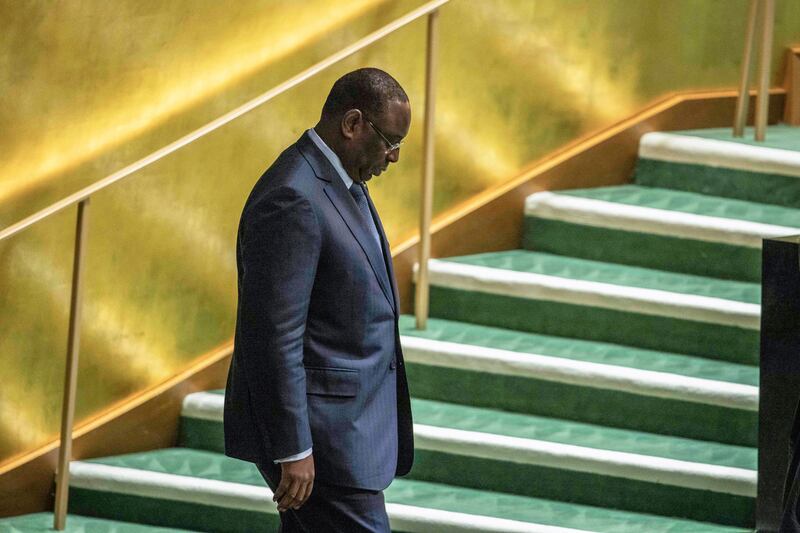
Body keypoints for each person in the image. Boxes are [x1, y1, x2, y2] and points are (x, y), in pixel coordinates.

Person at [223, 67, 414, 532]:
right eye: (390, 141)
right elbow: (273, 335)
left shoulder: (344, 183)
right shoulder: (293, 196)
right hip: (322, 443)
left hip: (347, 433)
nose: (393, 157)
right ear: (353, 124)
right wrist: (294, 447)